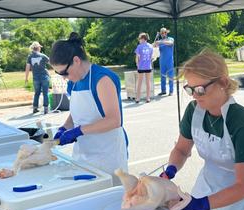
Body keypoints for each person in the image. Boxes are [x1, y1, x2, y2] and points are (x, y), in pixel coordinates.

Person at [160, 49, 244, 210]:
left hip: (243, 199)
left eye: (200, 89)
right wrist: (171, 170)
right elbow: (182, 150)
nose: (194, 96)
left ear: (223, 83)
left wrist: (200, 204)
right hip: (208, 184)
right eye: (190, 89)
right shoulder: (194, 111)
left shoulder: (243, 122)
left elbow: (243, 186)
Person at [50, 32, 128, 186]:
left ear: (76, 60)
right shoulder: (74, 82)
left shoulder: (102, 79)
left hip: (108, 154)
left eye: (64, 73)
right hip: (83, 153)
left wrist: (78, 131)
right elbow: (77, 113)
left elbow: (114, 120)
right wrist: (65, 127)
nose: (64, 78)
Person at [25, 41, 50, 114]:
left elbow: (27, 68)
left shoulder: (30, 57)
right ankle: (46, 109)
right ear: (38, 48)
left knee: (37, 93)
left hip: (35, 78)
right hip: (44, 77)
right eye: (39, 47)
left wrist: (26, 78)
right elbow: (51, 63)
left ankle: (35, 108)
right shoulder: (43, 56)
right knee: (45, 93)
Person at [154, 27, 174, 96]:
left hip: (169, 61)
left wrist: (160, 42)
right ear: (160, 34)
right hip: (162, 61)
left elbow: (170, 43)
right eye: (162, 33)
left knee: (170, 76)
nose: (163, 34)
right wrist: (155, 43)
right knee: (162, 76)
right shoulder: (159, 41)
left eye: (164, 32)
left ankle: (171, 91)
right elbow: (154, 47)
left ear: (166, 33)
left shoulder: (170, 39)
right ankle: (163, 91)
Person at [134, 32, 153, 103]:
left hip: (141, 66)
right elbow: (151, 57)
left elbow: (137, 57)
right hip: (148, 66)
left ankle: (137, 98)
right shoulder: (150, 46)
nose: (139, 40)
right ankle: (148, 98)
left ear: (143, 39)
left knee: (139, 82)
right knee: (148, 82)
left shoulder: (139, 46)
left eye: (139, 38)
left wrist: (137, 64)